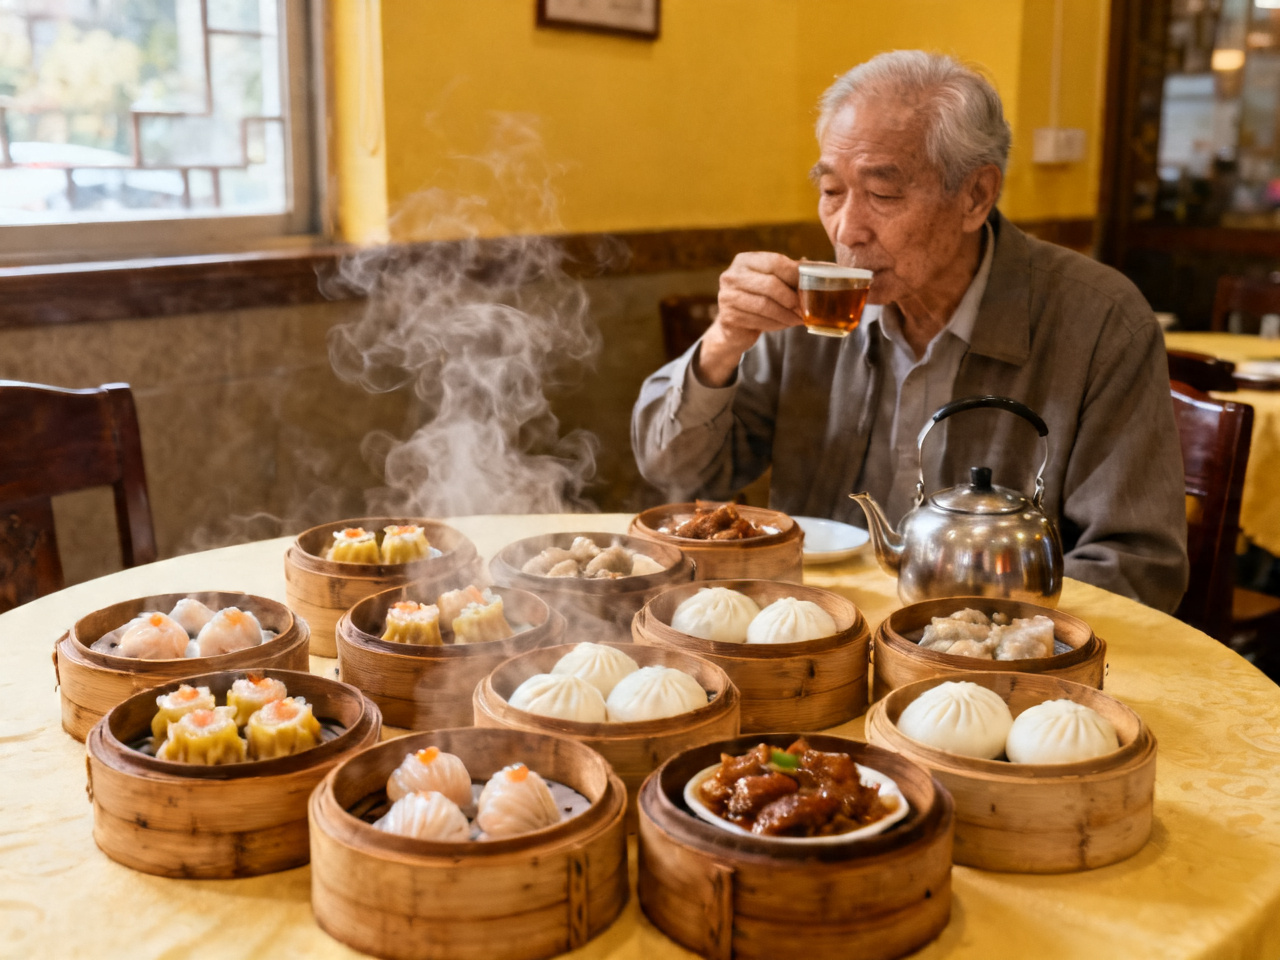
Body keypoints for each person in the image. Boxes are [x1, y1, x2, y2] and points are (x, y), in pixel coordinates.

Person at [631, 50, 1189, 613]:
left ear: (975, 196)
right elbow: (674, 471)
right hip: (808, 629)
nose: (847, 230)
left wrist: (972, 634)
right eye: (831, 192)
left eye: (883, 195)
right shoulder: (809, 306)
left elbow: (1136, 565)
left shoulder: (1099, 321)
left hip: (994, 650)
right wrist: (724, 341)